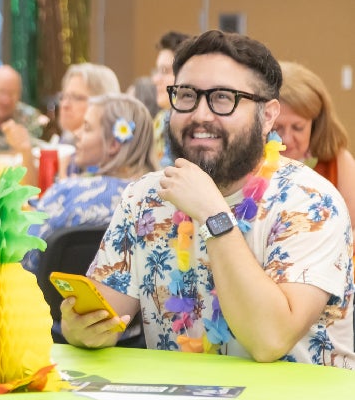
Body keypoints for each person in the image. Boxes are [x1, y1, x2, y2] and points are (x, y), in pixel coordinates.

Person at [62, 30, 354, 368]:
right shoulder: (145, 198)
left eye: (222, 98)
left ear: (268, 116)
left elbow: (270, 340)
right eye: (187, 95)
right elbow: (103, 314)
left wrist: (212, 213)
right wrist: (82, 329)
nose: (200, 114)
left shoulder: (310, 202)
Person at [22, 94, 156, 275]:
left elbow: (24, 256)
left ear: (114, 144)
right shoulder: (160, 197)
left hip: (57, 301)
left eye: (86, 127)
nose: (76, 133)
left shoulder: (67, 193)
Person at [274, 61, 355, 229]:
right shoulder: (248, 164)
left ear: (316, 124)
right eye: (276, 128)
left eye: (298, 127)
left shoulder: (337, 162)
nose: (287, 139)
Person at [55, 63, 121, 146]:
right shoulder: (64, 143)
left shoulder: (100, 155)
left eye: (76, 98)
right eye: (64, 96)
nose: (65, 105)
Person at [151, 31, 191, 168]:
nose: (156, 80)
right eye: (157, 71)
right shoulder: (160, 120)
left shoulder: (194, 124)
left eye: (165, 71)